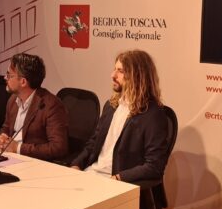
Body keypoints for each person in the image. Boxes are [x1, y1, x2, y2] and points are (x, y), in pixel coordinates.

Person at [70, 50, 170, 183]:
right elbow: (94, 143)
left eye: (120, 71)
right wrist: (76, 164)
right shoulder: (111, 106)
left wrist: (119, 177)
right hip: (92, 173)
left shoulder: (152, 115)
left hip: (117, 182)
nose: (113, 75)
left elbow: (154, 165)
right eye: (114, 69)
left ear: (137, 76)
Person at [0, 53, 68, 161]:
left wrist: (18, 148)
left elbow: (58, 148)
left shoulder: (51, 105)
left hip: (35, 162)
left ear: (23, 82)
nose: (5, 78)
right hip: (10, 158)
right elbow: (6, 127)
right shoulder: (13, 100)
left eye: (9, 75)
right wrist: (2, 137)